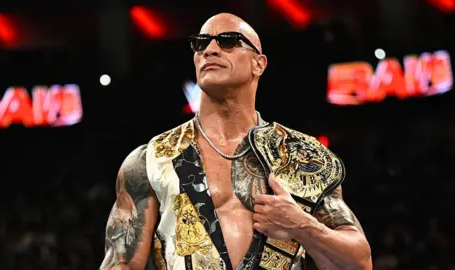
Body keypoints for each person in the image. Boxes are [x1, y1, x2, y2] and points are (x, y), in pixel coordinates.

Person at [100, 13, 372, 270]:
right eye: (200, 43)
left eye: (228, 41)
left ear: (259, 64)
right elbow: (120, 263)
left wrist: (301, 225)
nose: (210, 50)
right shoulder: (151, 159)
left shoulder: (301, 155)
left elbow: (360, 262)